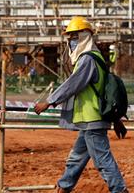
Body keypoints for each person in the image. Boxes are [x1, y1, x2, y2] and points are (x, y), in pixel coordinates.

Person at [34, 16, 128, 193]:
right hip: (88, 120)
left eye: (74, 37)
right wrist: (116, 119)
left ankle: (120, 190)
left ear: (85, 36)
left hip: (91, 119)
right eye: (69, 37)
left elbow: (73, 84)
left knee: (102, 160)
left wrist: (49, 101)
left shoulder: (88, 59)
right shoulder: (95, 58)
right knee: (77, 158)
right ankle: (64, 187)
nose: (71, 41)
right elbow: (103, 92)